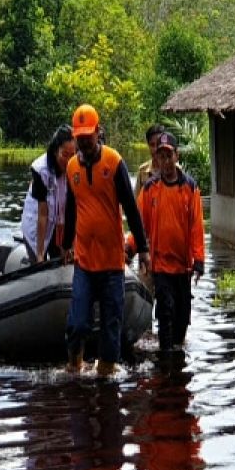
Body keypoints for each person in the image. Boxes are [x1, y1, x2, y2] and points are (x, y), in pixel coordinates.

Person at [61, 104, 149, 376]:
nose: (85, 142)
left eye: (89, 136)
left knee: (111, 323)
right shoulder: (72, 166)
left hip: (112, 262)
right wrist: (66, 244)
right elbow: (71, 209)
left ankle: (106, 372)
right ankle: (74, 366)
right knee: (77, 323)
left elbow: (131, 209)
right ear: (75, 137)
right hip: (85, 261)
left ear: (98, 132)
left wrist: (143, 248)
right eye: (80, 137)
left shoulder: (114, 162)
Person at [128, 132, 205, 353]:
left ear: (176, 155)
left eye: (169, 156)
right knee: (165, 314)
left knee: (181, 322)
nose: (165, 161)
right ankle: (165, 366)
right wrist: (130, 248)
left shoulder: (190, 188)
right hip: (160, 267)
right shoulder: (150, 189)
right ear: (157, 159)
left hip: (182, 267)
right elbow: (139, 224)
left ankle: (177, 366)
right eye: (161, 157)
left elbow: (196, 227)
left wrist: (199, 260)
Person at [20, 124, 76, 262]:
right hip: (37, 223)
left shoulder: (76, 167)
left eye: (72, 155)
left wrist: (69, 244)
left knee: (63, 262)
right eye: (64, 154)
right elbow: (42, 214)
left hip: (60, 226)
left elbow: (73, 210)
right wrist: (39, 254)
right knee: (39, 265)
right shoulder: (41, 170)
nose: (68, 160)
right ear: (56, 150)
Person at [134, 124, 167, 199]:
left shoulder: (176, 170)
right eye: (152, 145)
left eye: (159, 144)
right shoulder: (143, 171)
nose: (156, 149)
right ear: (148, 146)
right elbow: (137, 200)